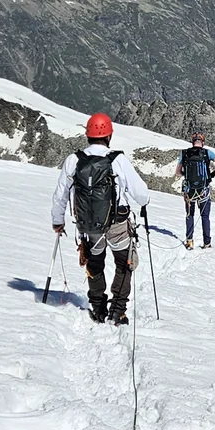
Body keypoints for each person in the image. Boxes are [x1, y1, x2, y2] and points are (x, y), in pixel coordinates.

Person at [50, 112, 152, 325]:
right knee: (124, 264)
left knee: (95, 263)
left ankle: (98, 309)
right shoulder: (117, 160)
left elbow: (61, 195)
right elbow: (141, 195)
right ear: (108, 136)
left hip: (89, 226)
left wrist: (58, 221)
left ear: (88, 135)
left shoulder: (74, 160)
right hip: (118, 223)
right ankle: (118, 311)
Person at [179, 131, 215, 249]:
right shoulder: (207, 153)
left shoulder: (184, 153)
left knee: (189, 215)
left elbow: (178, 173)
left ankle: (189, 241)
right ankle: (207, 242)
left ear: (192, 142)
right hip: (203, 190)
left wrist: (184, 174)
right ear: (202, 142)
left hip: (189, 190)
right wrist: (212, 174)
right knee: (205, 216)